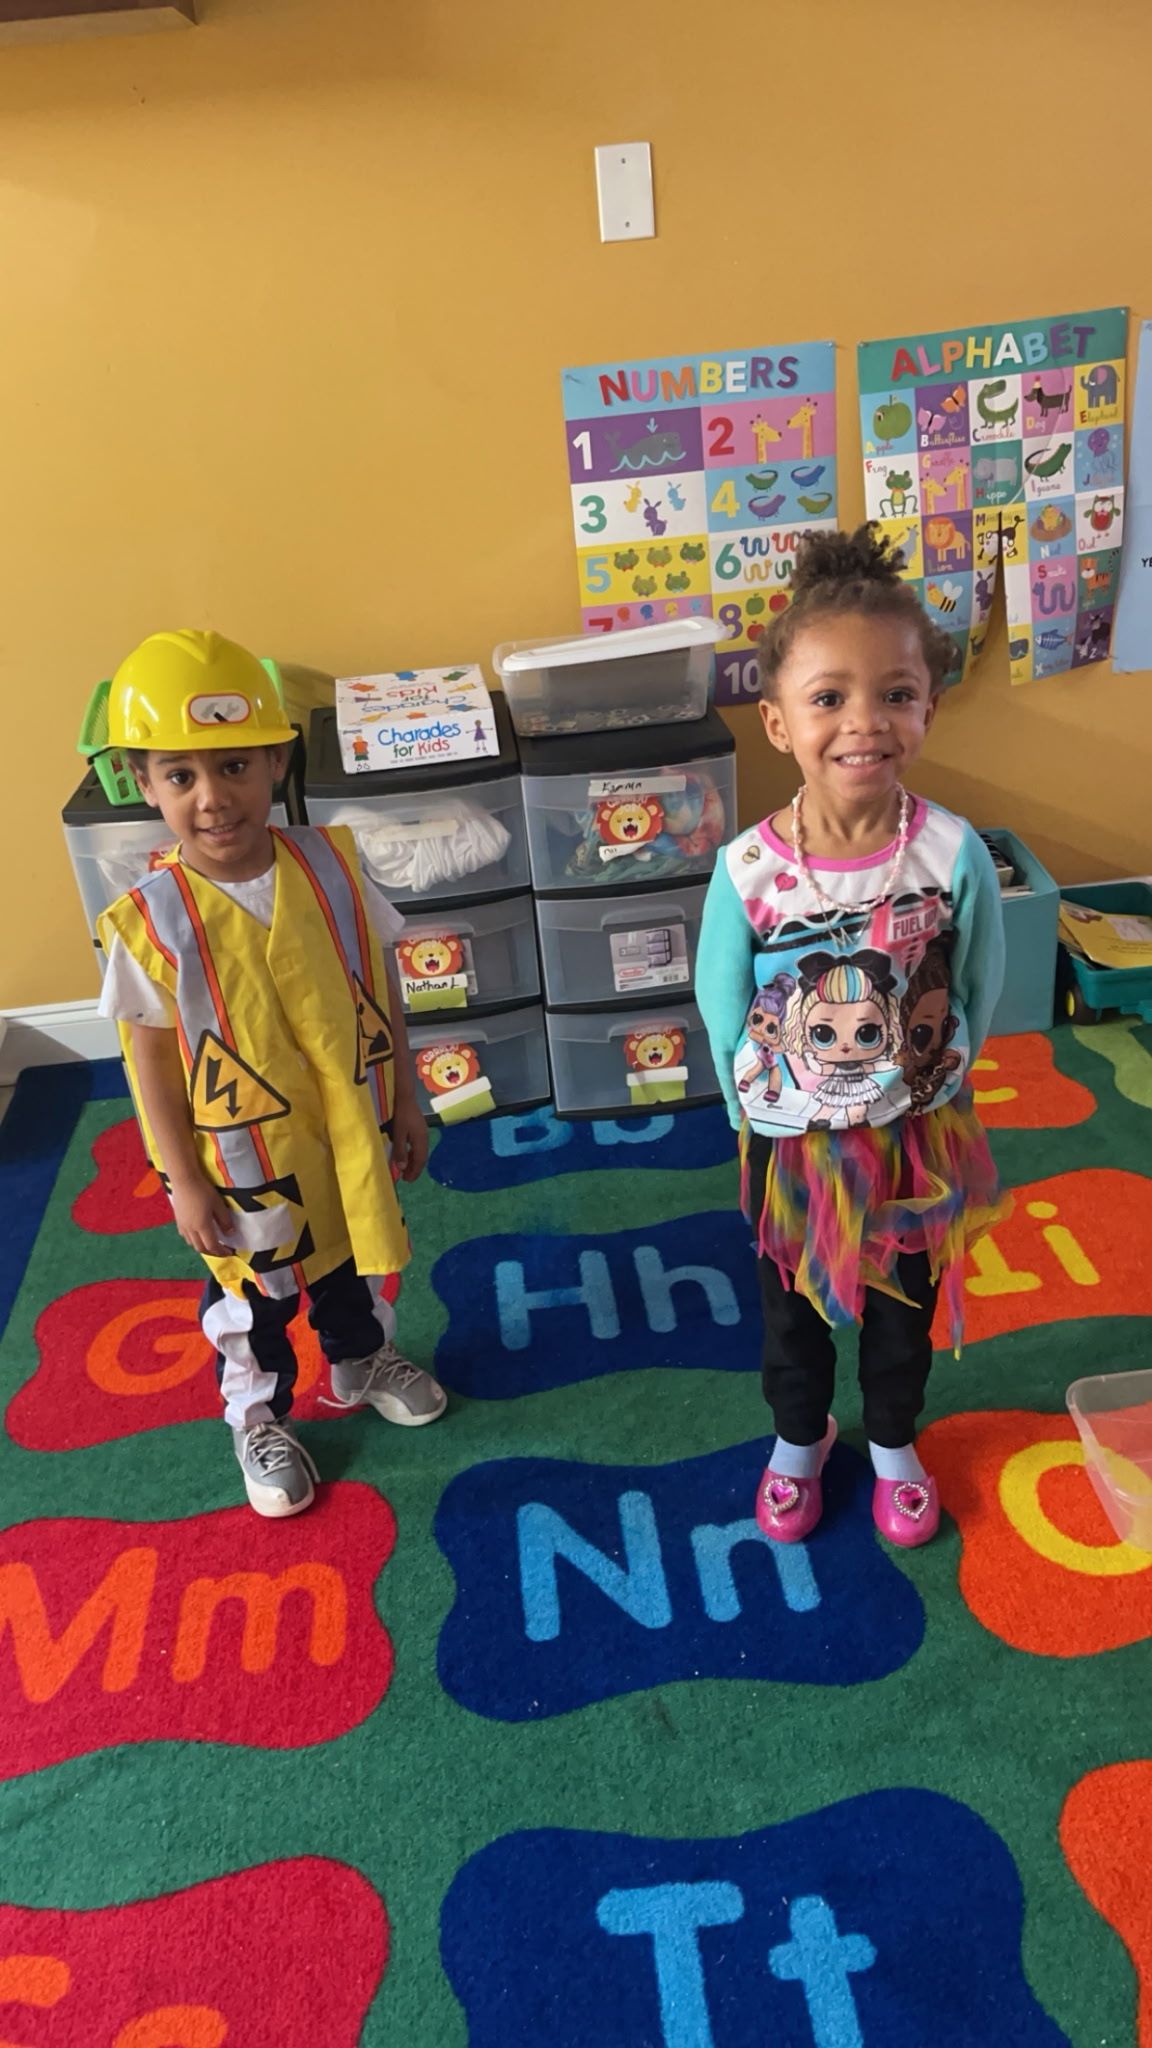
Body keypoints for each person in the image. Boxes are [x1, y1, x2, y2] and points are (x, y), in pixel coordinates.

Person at [697, 527, 1007, 1550]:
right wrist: (749, 1109)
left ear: (928, 703)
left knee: (903, 1304)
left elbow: (978, 978)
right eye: (829, 697)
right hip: (792, 1144)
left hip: (915, 1134)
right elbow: (720, 993)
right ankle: (797, 1438)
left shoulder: (950, 850)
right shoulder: (747, 867)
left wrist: (945, 1078)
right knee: (790, 1309)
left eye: (895, 692)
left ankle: (892, 1442)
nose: (863, 721)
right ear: (778, 721)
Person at [96, 629, 446, 1519]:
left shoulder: (332, 865)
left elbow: (382, 984)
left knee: (353, 1266)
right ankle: (259, 1416)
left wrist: (407, 1094)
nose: (213, 799)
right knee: (255, 1310)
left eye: (236, 767)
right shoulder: (150, 920)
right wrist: (180, 1183)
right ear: (145, 785)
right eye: (180, 776)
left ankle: (362, 1358)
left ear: (277, 762)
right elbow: (150, 1070)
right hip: (243, 1170)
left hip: (346, 1136)